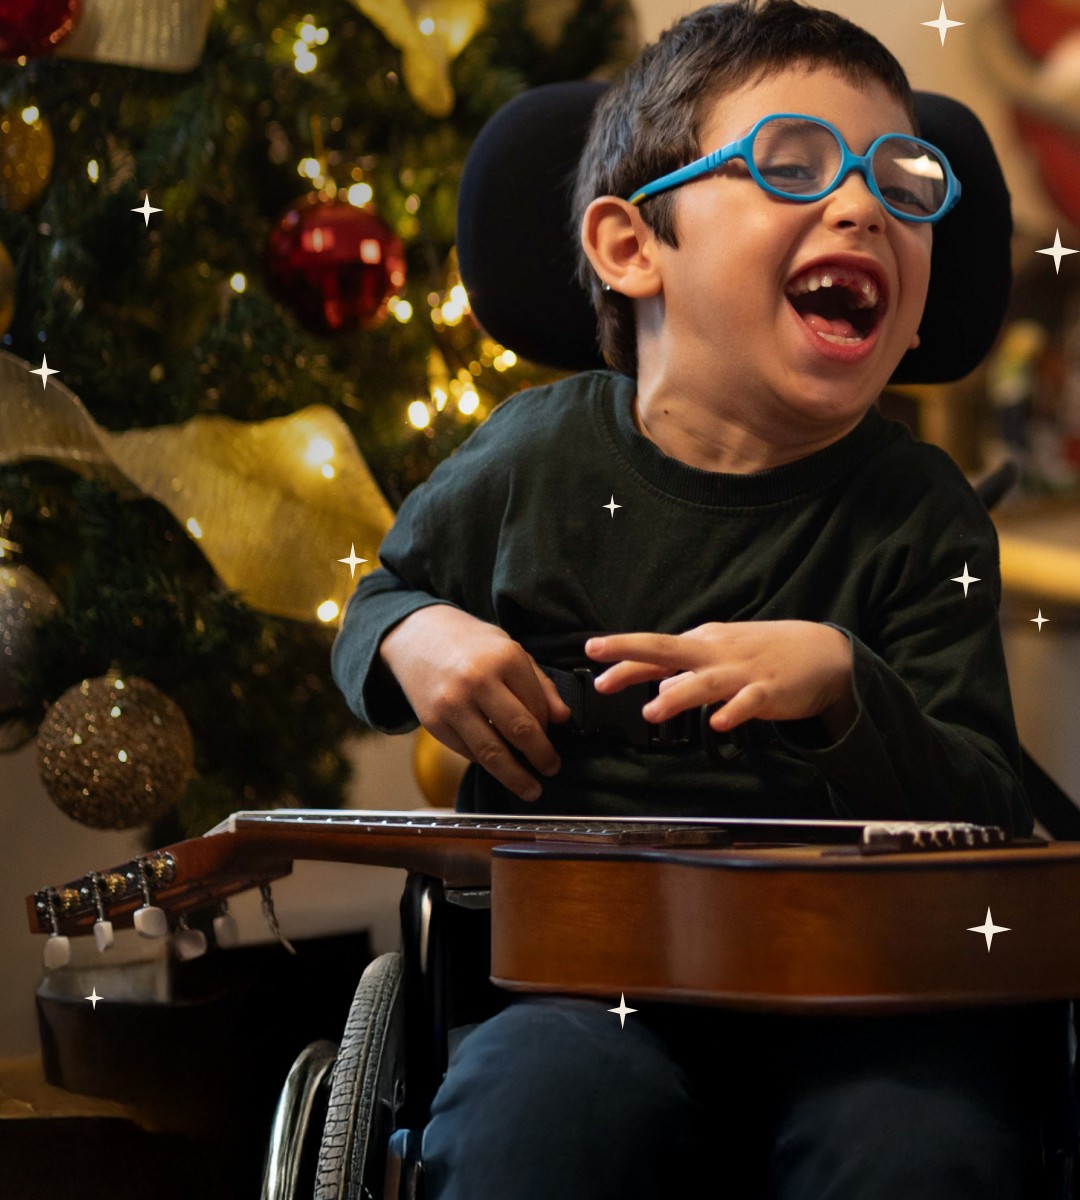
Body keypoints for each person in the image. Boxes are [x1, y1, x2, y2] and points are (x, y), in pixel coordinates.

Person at [331, 2, 1064, 1195]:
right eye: (793, 166)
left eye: (903, 180)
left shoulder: (923, 515)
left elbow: (985, 807)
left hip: (873, 1001)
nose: (866, 205)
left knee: (922, 1151)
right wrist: (418, 634)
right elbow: (380, 600)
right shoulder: (533, 462)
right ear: (632, 248)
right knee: (539, 1120)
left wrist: (845, 687)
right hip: (585, 992)